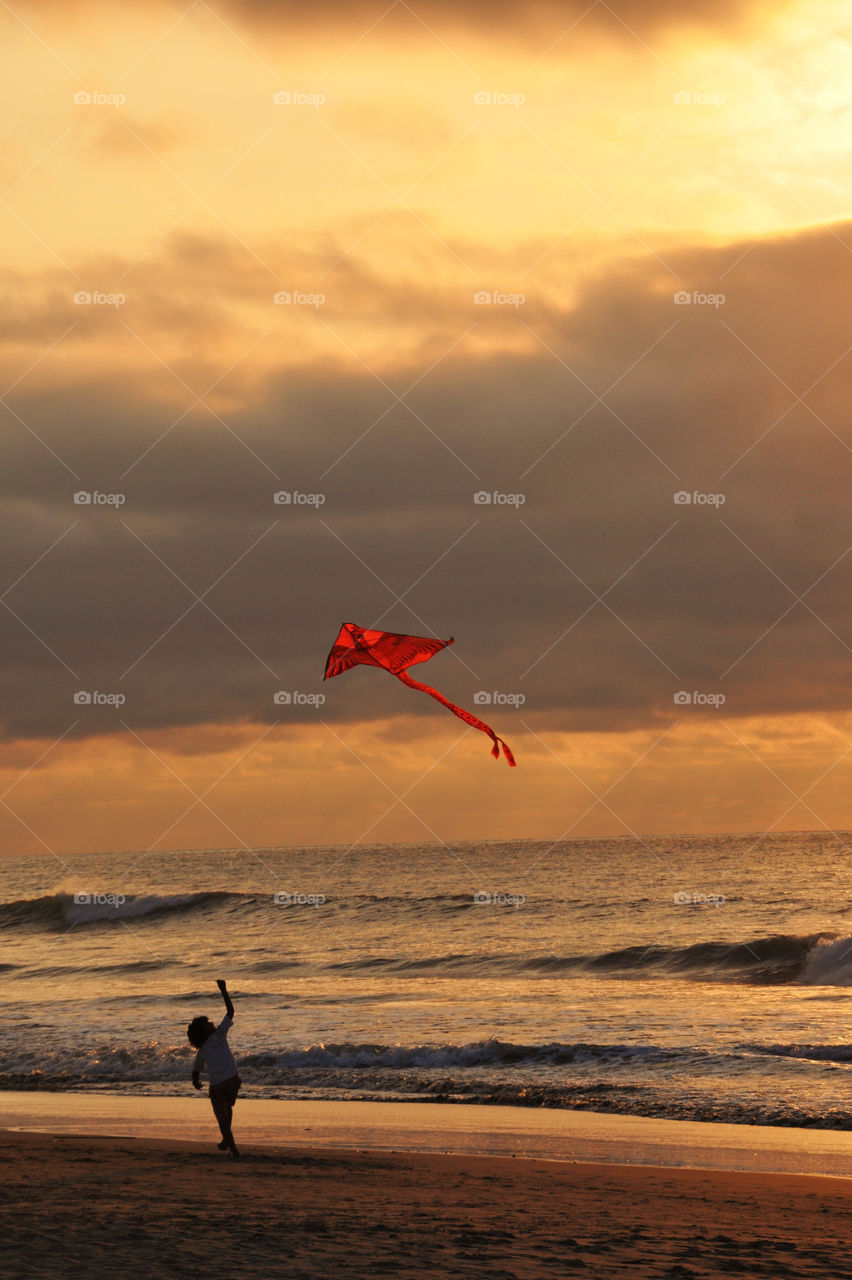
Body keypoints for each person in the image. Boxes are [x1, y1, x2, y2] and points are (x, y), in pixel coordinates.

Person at [187, 979, 241, 1158]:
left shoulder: (202, 1050)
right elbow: (231, 1011)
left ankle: (233, 1149)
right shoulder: (219, 1035)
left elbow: (196, 1071)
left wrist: (196, 1082)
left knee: (223, 1119)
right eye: (208, 1023)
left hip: (218, 1087)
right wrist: (224, 991)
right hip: (233, 1081)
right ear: (205, 1031)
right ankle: (227, 1140)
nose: (212, 1024)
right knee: (228, 1110)